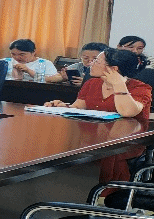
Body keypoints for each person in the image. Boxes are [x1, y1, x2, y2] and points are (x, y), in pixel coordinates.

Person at [44, 48, 152, 181]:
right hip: (93, 136)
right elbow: (77, 107)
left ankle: (104, 189)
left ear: (113, 69)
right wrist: (62, 106)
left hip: (125, 142)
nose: (91, 64)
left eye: (96, 61)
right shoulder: (92, 83)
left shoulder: (140, 88)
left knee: (107, 152)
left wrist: (118, 84)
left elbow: (127, 112)